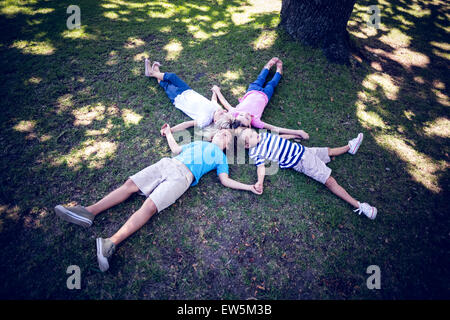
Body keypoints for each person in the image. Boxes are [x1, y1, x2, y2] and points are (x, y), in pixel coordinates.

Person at [55, 125, 261, 272]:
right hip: (167, 164)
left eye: (226, 136)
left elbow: (225, 180)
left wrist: (249, 187)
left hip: (182, 178)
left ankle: (110, 243)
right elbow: (176, 150)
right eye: (221, 132)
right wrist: (169, 133)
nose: (222, 134)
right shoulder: (197, 143)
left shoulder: (221, 158)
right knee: (129, 186)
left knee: (149, 208)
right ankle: (88, 212)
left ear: (227, 145)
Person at [237, 128, 377, 219]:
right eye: (251, 136)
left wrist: (295, 135)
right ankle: (359, 206)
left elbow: (280, 138)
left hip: (303, 150)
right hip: (301, 161)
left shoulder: (263, 136)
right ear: (248, 146)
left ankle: (349, 148)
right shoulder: (256, 152)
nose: (255, 133)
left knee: (328, 151)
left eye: (252, 131)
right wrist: (260, 181)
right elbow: (260, 167)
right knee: (329, 181)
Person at [211, 57, 309, 140]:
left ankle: (268, 66)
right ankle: (279, 71)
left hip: (252, 90)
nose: (247, 114)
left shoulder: (234, 112)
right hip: (266, 95)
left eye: (242, 114)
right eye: (247, 117)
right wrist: (298, 132)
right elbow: (275, 128)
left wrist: (217, 91)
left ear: (236, 117)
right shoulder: (256, 121)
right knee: (272, 83)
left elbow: (225, 103)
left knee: (261, 78)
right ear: (250, 125)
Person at [145, 59, 240, 137]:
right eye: (225, 111)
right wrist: (215, 92)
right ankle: (154, 72)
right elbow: (213, 101)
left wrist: (170, 130)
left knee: (166, 84)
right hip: (187, 91)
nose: (222, 111)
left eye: (222, 114)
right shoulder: (217, 109)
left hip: (179, 98)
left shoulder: (205, 120)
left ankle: (153, 72)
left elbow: (187, 124)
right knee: (172, 77)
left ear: (215, 121)